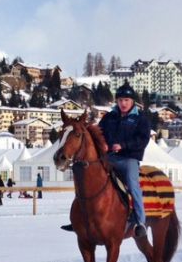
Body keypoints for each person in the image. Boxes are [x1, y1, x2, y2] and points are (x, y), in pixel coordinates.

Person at [61, 82, 150, 238]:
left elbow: (143, 140)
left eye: (126, 100)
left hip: (129, 159)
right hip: (108, 157)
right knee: (85, 174)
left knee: (131, 181)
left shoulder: (140, 118)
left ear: (132, 102)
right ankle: (79, 218)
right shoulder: (109, 117)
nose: (123, 103)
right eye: (120, 100)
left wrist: (123, 146)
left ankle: (140, 221)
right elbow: (98, 134)